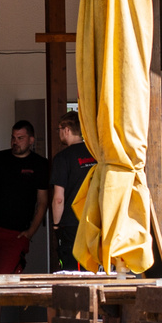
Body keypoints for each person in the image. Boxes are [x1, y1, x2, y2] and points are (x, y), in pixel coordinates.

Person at [0, 120, 49, 277]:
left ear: (31, 140)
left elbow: (43, 201)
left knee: (3, 277)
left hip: (16, 234)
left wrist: (30, 232)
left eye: (20, 138)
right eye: (13, 137)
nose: (15, 142)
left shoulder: (40, 164)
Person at [49, 115, 96, 271]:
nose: (59, 133)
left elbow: (58, 199)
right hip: (96, 220)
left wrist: (56, 225)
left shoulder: (62, 158)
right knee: (95, 266)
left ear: (67, 130)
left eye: (59, 129)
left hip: (71, 223)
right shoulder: (96, 154)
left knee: (74, 270)